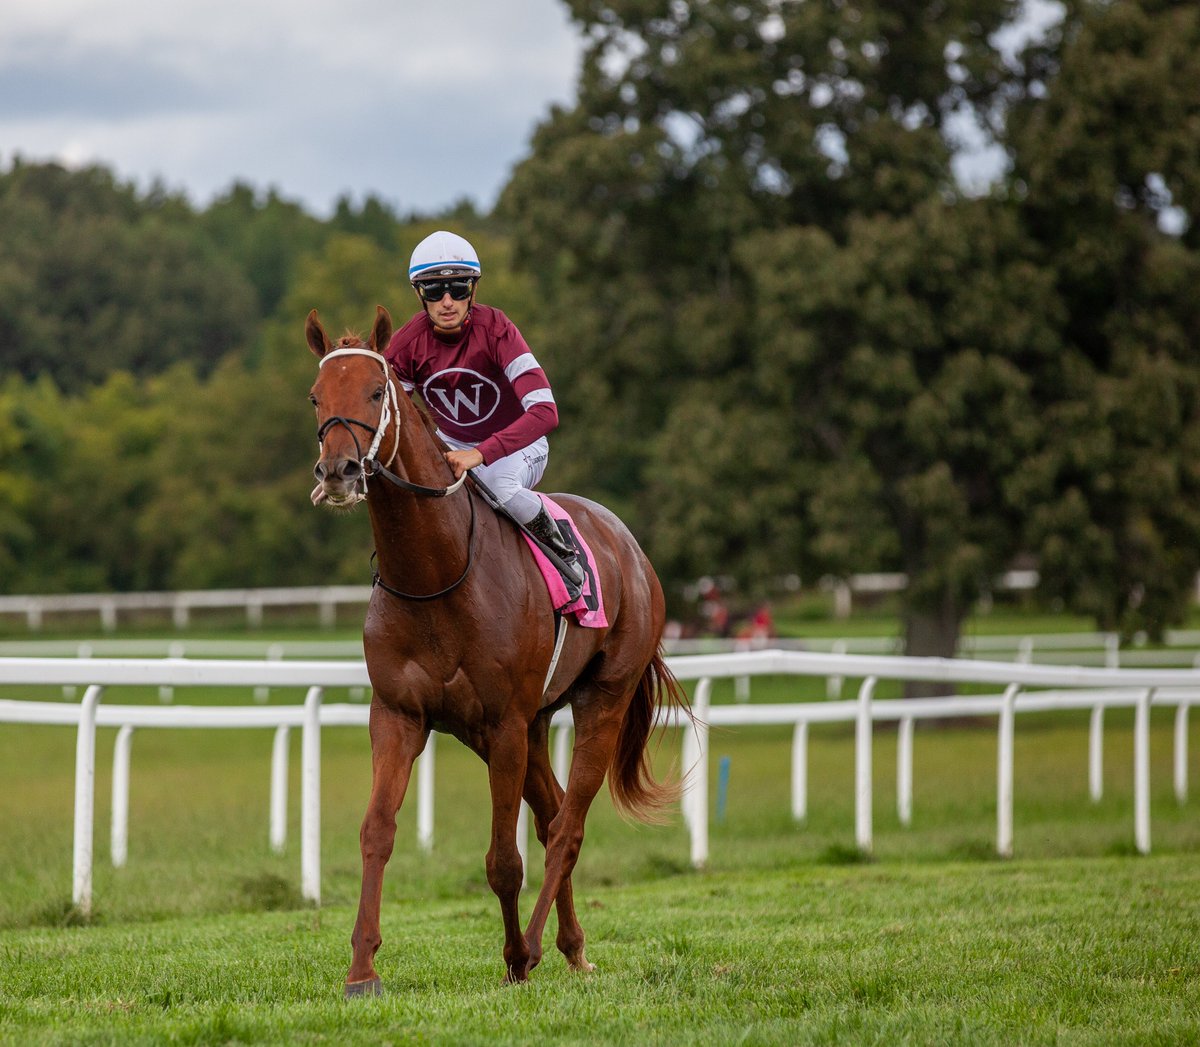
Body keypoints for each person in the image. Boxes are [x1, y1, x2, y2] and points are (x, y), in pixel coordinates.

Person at [383, 229, 581, 580]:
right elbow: (386, 419)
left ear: (472, 290)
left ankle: (567, 557)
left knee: (500, 487)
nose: (447, 301)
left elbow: (545, 412)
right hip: (453, 447)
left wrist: (482, 453)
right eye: (434, 290)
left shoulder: (497, 329)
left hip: (518, 446)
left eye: (458, 288)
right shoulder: (406, 344)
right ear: (419, 294)